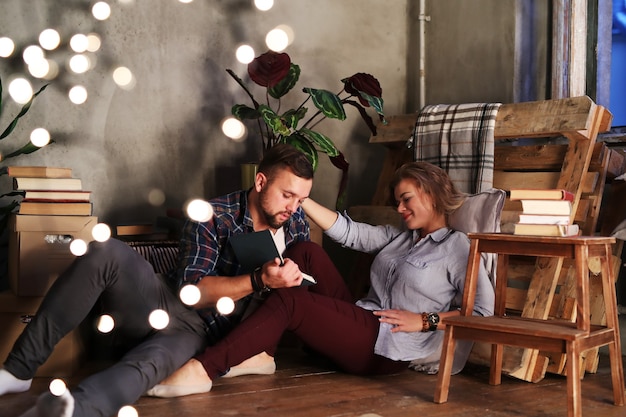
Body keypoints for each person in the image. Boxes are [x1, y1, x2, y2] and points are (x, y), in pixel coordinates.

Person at [0, 144, 351, 417]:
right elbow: (191, 292)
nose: (294, 207)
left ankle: (70, 410)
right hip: (164, 301)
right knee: (105, 252)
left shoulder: (296, 224)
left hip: (201, 336)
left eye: (301, 200)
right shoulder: (213, 214)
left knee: (145, 369)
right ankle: (19, 369)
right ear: (260, 181)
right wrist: (260, 280)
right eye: (287, 195)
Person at [146, 161, 496, 394]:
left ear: (432, 195)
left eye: (406, 200)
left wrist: (425, 320)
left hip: (385, 350)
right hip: (362, 319)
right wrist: (301, 197)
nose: (401, 209)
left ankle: (205, 370)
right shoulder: (400, 237)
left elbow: (483, 314)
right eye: (398, 203)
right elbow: (348, 232)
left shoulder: (458, 247)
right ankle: (261, 355)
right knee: (303, 253)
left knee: (292, 298)